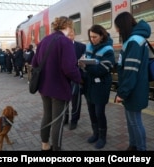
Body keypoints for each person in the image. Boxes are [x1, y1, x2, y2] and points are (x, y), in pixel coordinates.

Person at [32, 16, 81, 151]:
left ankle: (44, 145)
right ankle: (57, 148)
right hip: (59, 88)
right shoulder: (65, 42)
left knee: (47, 116)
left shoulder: (44, 41)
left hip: (44, 87)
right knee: (57, 120)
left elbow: (34, 63)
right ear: (69, 27)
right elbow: (69, 68)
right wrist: (80, 78)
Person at [114, 12, 151, 151]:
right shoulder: (135, 39)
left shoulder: (134, 41)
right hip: (135, 88)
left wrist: (122, 93)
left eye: (117, 27)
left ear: (123, 26)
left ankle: (141, 149)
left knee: (135, 122)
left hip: (134, 89)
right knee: (131, 121)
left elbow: (131, 71)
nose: (117, 30)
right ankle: (133, 145)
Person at [78, 25, 115, 149]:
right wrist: (82, 61)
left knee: (99, 112)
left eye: (95, 37)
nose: (92, 39)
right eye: (90, 37)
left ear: (102, 36)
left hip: (101, 85)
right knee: (91, 111)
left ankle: (102, 137)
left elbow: (103, 70)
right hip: (89, 83)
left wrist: (86, 66)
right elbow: (85, 59)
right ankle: (95, 133)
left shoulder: (108, 50)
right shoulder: (88, 46)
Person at [65, 29, 86, 130]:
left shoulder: (81, 47)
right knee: (64, 100)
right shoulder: (61, 46)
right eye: (67, 35)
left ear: (74, 35)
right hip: (64, 78)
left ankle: (74, 120)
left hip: (76, 77)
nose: (69, 36)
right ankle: (65, 118)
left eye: (71, 34)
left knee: (75, 100)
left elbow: (85, 60)